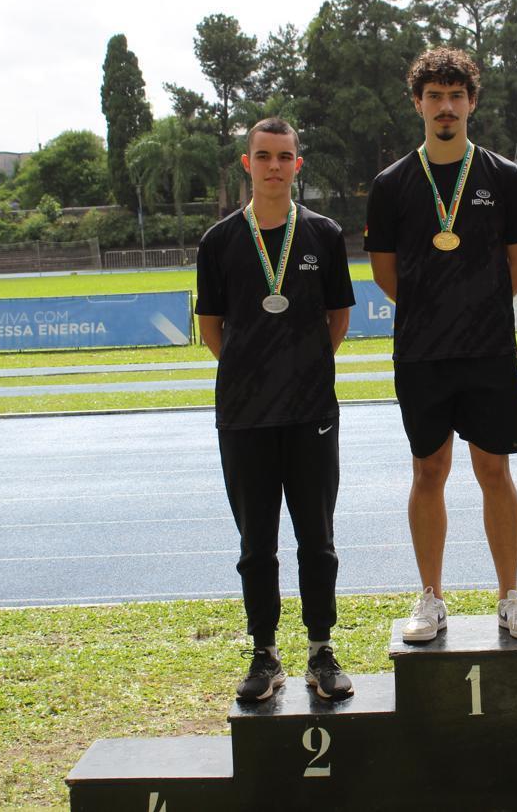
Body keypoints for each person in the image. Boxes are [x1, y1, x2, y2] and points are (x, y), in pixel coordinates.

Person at [365, 47, 517, 643]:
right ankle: (431, 598)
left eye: (456, 95)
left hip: (489, 348)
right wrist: (435, 309)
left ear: (472, 102)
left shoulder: (505, 177)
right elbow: (386, 273)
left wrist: (476, 305)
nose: (446, 106)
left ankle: (511, 596)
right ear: (417, 104)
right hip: (421, 351)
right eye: (434, 96)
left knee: (495, 469)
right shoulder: (391, 185)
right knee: (427, 471)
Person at [196, 117, 356, 703]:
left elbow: (337, 319)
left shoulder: (324, 234)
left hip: (311, 410)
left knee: (318, 539)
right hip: (243, 416)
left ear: (297, 165)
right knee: (255, 544)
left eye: (284, 157)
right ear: (247, 163)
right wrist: (252, 369)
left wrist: (301, 366)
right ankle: (264, 653)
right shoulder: (218, 242)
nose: (273, 166)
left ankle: (321, 650)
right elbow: (212, 326)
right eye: (263, 156)